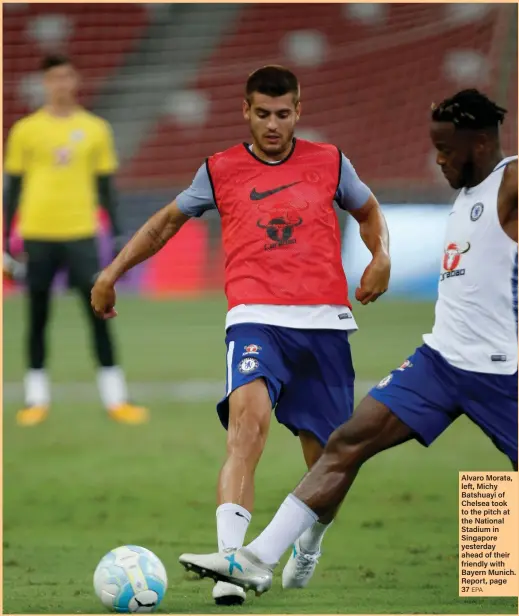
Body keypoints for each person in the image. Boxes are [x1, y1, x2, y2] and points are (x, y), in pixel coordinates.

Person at [177, 89, 518, 594]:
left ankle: (495, 576)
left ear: (482, 145)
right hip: (440, 361)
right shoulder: (469, 190)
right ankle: (255, 559)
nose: (438, 158)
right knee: (346, 443)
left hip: (501, 371)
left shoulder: (510, 180)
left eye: (446, 149)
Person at [91, 65, 390, 605]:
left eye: (282, 114)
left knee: (326, 462)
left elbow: (368, 212)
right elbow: (164, 223)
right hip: (254, 317)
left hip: (323, 324)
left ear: (298, 111)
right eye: (262, 113)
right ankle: (232, 563)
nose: (272, 125)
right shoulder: (219, 169)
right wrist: (111, 273)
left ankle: (309, 541)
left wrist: (381, 256)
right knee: (246, 427)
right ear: (244, 111)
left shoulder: (331, 161)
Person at [4, 54, 148, 427]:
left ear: (76, 80)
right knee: (37, 316)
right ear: (44, 83)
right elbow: (13, 188)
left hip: (82, 233)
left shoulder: (96, 128)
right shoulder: (25, 130)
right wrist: (5, 238)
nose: (61, 84)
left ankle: (116, 399)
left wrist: (117, 233)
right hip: (37, 233)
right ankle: (36, 399)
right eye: (53, 78)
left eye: (67, 76)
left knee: (98, 312)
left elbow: (106, 187)